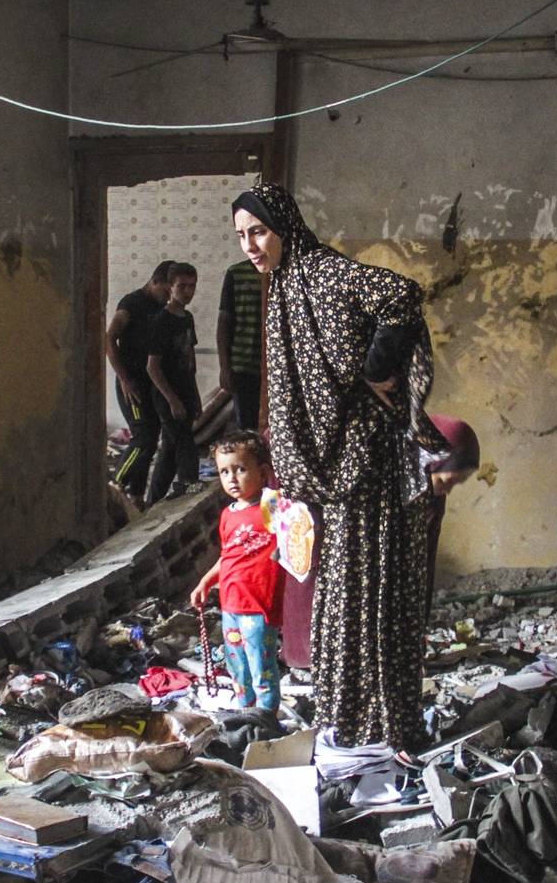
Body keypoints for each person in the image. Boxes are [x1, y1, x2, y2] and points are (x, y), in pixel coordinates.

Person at [231, 182, 446, 750]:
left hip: (366, 463)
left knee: (370, 589)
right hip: (337, 473)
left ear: (285, 226)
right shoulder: (285, 287)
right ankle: (352, 720)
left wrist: (372, 369)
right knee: (344, 592)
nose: (251, 246)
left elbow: (402, 295)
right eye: (242, 237)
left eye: (258, 231)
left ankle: (380, 722)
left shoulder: (325, 272)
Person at [190, 431, 282, 711]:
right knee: (237, 665)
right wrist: (205, 582)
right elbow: (227, 556)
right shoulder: (228, 514)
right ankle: (246, 712)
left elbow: (295, 543)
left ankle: (266, 718)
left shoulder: (274, 507)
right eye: (224, 471)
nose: (232, 478)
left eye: (240, 469)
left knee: (261, 665)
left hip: (259, 605)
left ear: (263, 472)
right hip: (231, 604)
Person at [106, 261, 172, 501]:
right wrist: (124, 379)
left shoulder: (162, 308)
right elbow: (110, 338)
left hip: (150, 384)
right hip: (131, 384)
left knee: (152, 438)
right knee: (142, 437)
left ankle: (136, 496)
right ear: (155, 281)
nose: (168, 298)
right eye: (166, 291)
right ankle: (115, 487)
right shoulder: (131, 304)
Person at [145, 262, 202, 503]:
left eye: (192, 286)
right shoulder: (162, 321)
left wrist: (194, 396)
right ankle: (189, 484)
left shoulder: (187, 318)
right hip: (167, 395)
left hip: (186, 391)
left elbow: (190, 357)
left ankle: (153, 501)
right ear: (170, 287)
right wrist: (172, 399)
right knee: (185, 443)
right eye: (182, 286)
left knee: (169, 449)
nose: (187, 292)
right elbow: (152, 366)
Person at [423, 414, 482, 602]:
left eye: (456, 484)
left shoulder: (433, 499)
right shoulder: (385, 494)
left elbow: (425, 563)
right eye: (444, 481)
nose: (447, 492)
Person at [215, 258, 264, 429]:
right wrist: (225, 367)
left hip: (277, 366)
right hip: (243, 365)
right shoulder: (236, 273)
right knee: (246, 425)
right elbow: (224, 323)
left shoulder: (283, 271)